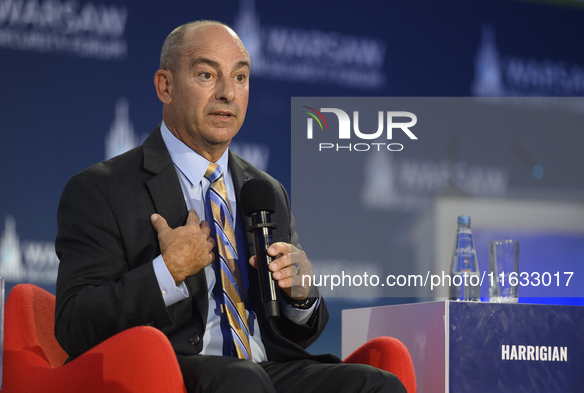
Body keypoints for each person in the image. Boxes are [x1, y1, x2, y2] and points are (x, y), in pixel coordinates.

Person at [54, 20, 406, 393]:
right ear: (166, 86)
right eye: (207, 75)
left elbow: (295, 336)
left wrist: (299, 297)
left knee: (376, 384)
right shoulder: (102, 188)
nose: (227, 93)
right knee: (242, 378)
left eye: (240, 78)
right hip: (169, 371)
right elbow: (75, 325)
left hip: (266, 369)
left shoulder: (265, 191)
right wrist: (167, 271)